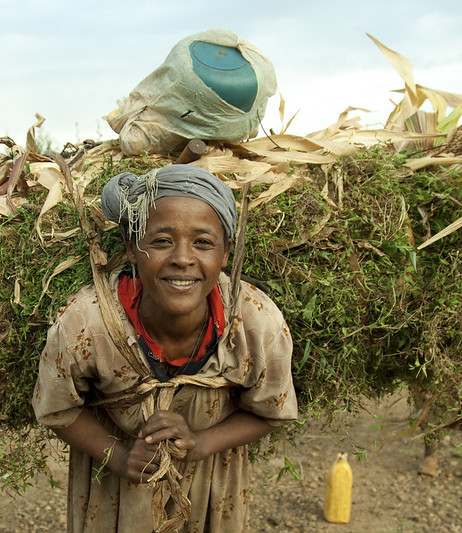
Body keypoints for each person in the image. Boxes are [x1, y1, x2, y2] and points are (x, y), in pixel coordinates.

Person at [32, 164, 298, 532]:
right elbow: (58, 408)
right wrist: (120, 456)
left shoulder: (255, 323)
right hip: (117, 482)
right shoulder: (87, 325)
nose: (183, 258)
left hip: (213, 477)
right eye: (161, 241)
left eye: (203, 242)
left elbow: (271, 408)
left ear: (226, 253)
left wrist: (202, 442)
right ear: (132, 248)